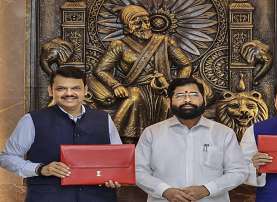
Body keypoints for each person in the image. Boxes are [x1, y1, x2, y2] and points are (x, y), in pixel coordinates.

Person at [0, 67, 122, 202]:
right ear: (50, 90)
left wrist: (115, 178)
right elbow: (6, 157)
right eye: (61, 88)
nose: (69, 93)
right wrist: (40, 169)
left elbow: (117, 160)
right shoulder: (31, 120)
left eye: (76, 88)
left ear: (85, 90)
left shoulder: (104, 119)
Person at [136, 77, 249, 202]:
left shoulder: (223, 133)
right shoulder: (152, 133)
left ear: (204, 99)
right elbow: (138, 171)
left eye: (194, 95)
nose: (187, 100)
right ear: (169, 102)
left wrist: (207, 189)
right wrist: (165, 191)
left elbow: (238, 171)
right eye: (180, 96)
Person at [94, 5, 192, 143]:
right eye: (137, 22)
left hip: (162, 88)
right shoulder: (119, 45)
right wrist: (115, 85)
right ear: (127, 25)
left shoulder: (164, 41)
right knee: (133, 100)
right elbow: (100, 70)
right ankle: (129, 144)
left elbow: (185, 65)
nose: (144, 26)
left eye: (146, 21)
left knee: (169, 105)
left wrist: (175, 88)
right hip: (136, 88)